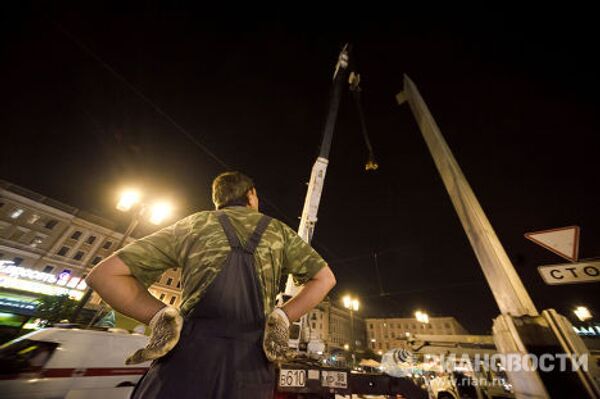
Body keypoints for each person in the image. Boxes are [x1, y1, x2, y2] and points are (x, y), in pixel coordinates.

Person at [86, 171, 336, 398]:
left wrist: (161, 316)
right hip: (249, 369)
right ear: (251, 196)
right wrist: (282, 317)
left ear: (218, 201)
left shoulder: (195, 224)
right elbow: (325, 279)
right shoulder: (278, 232)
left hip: (184, 363)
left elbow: (104, 275)